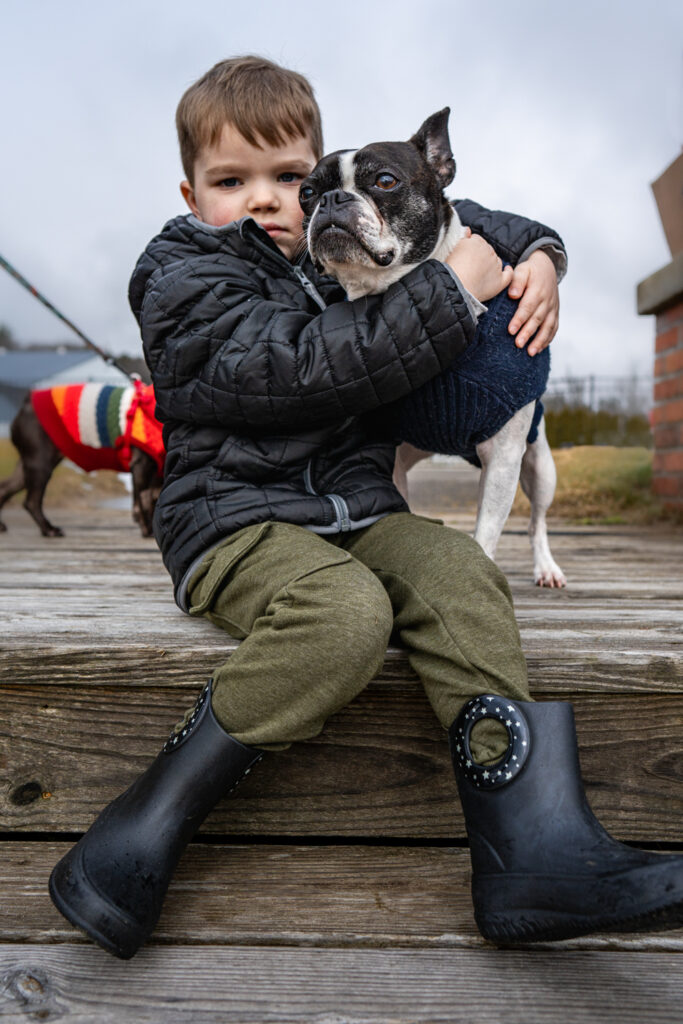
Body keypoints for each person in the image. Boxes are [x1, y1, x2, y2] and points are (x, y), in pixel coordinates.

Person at [49, 55, 683, 958]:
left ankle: (532, 853)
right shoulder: (180, 274)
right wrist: (455, 285)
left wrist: (541, 254)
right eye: (233, 181)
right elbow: (305, 366)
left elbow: (469, 216)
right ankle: (138, 831)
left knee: (460, 570)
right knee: (345, 614)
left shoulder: (328, 253)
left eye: (291, 181)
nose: (267, 200)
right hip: (233, 522)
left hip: (354, 508)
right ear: (191, 195)